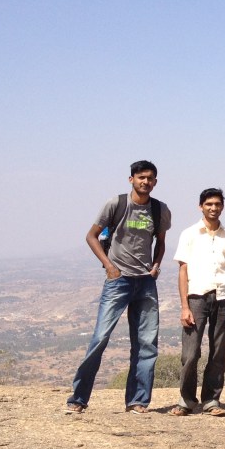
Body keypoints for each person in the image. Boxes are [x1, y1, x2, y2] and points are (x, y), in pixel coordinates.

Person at [66, 160, 171, 414]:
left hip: (145, 282)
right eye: (141, 177)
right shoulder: (117, 204)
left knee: (146, 343)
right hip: (119, 280)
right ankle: (78, 399)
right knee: (100, 338)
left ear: (156, 182)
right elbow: (91, 236)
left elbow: (161, 242)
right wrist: (109, 266)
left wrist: (156, 265)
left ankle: (137, 401)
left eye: (150, 178)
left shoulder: (160, 210)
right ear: (131, 179)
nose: (145, 182)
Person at [170, 188, 225, 417]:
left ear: (222, 207)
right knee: (190, 353)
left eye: (217, 204)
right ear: (201, 206)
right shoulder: (189, 234)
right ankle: (186, 400)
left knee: (218, 352)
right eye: (209, 204)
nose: (213, 208)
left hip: (223, 297)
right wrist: (184, 306)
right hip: (196, 297)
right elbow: (183, 270)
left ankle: (211, 400)